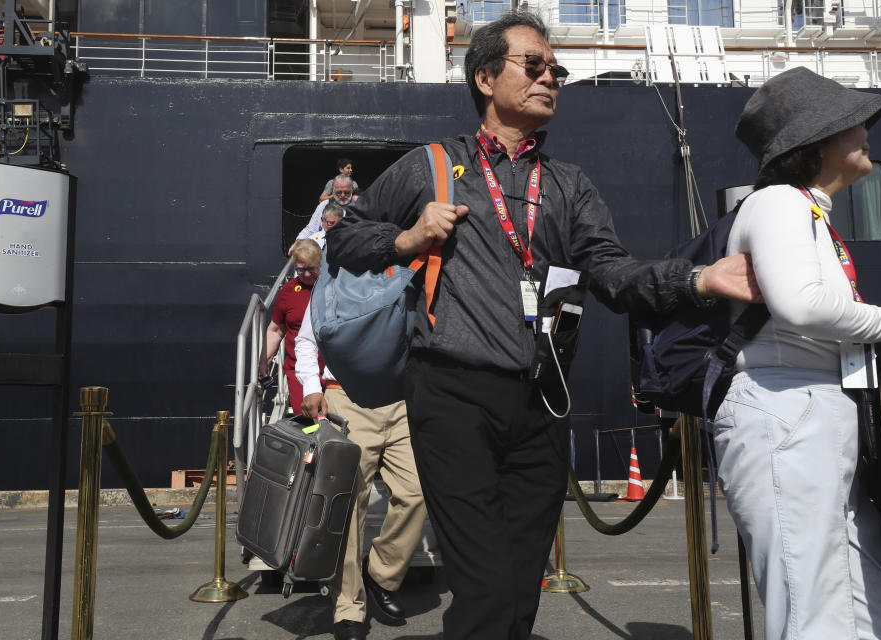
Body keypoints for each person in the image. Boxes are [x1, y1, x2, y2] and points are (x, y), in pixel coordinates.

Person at [325, 10, 760, 640]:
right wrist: (407, 237)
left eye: (556, 69)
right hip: (452, 395)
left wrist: (698, 280)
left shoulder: (567, 186)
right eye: (534, 66)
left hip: (543, 404)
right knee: (484, 589)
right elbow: (344, 237)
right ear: (484, 77)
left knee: (522, 587)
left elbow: (612, 275)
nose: (550, 78)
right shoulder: (432, 166)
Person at [714, 67, 881, 640]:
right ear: (810, 145)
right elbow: (802, 306)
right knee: (815, 608)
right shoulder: (780, 204)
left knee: (860, 604)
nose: (864, 129)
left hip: (812, 407)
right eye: (848, 124)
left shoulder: (805, 211)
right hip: (787, 406)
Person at [295, 306, 426, 640]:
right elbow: (307, 340)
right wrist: (312, 385)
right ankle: (348, 607)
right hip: (346, 396)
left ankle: (381, 574)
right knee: (350, 505)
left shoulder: (405, 272)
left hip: (401, 400)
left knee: (418, 491)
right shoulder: (336, 274)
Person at [264, 239, 324, 416]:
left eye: (311, 269)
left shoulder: (335, 288)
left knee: (334, 427)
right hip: (300, 373)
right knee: (308, 426)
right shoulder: (289, 291)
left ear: (321, 264)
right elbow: (275, 330)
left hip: (332, 374)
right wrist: (264, 361)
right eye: (300, 269)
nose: (305, 275)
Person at [292, 175, 354, 253]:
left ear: (352, 190)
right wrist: (298, 242)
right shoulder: (324, 205)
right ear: (333, 191)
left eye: (346, 192)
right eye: (339, 192)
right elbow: (311, 229)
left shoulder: (358, 207)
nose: (342, 195)